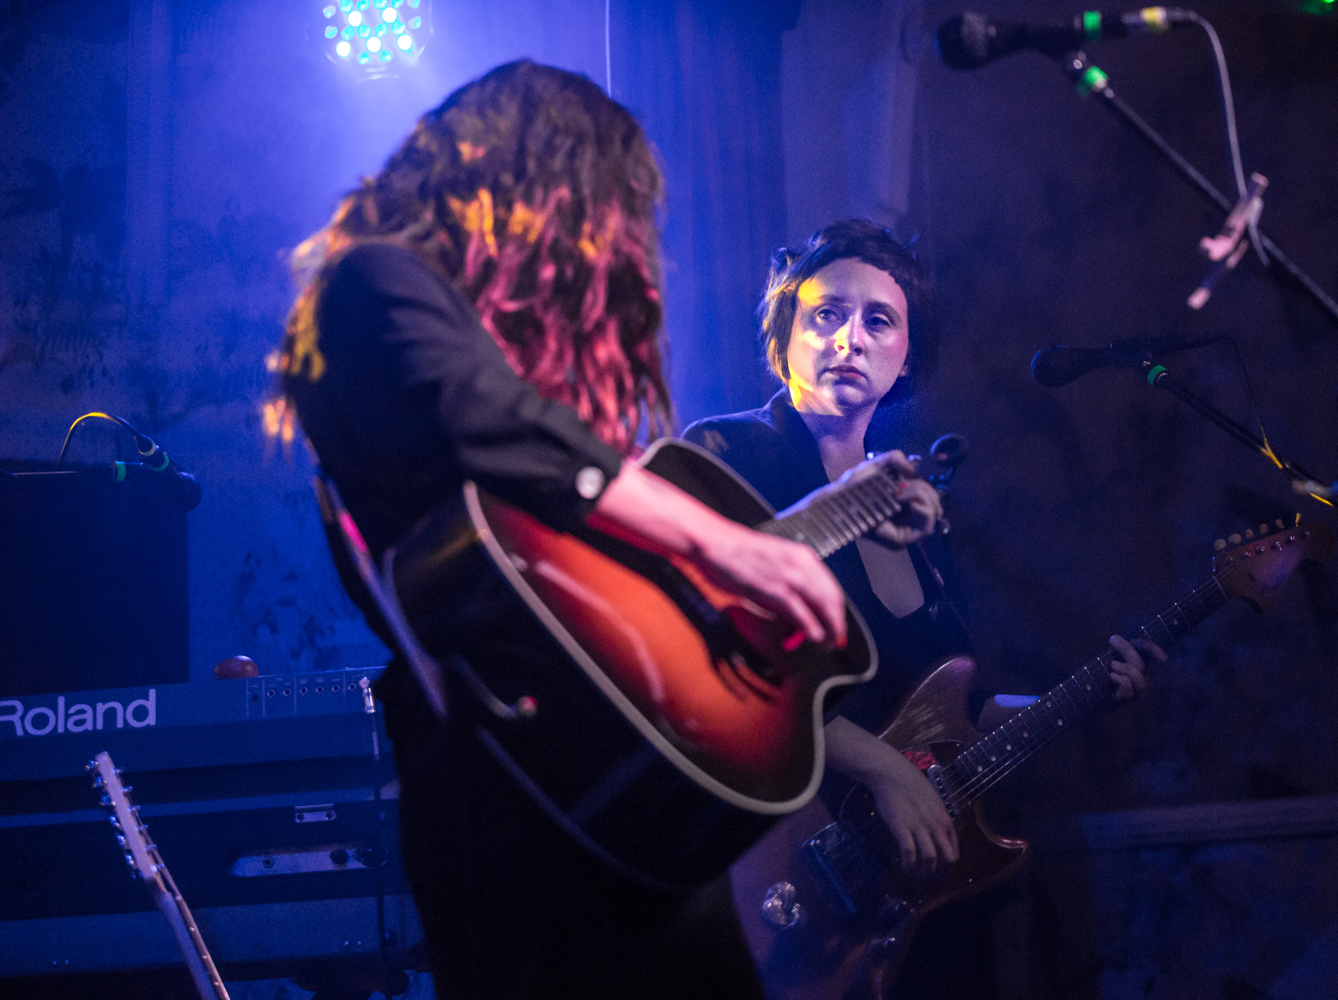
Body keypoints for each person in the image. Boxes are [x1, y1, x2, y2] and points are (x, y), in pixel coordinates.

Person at [271, 61, 851, 1000]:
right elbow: (476, 410)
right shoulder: (370, 285)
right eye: (593, 205)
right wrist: (718, 542)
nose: (602, 240)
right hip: (497, 780)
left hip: (617, 772)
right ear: (530, 183)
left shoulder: (516, 371)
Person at [682, 219, 1165, 917]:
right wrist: (878, 767)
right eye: (826, 315)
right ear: (784, 334)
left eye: (879, 321)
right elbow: (706, 645)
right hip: (766, 859)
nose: (850, 340)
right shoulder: (728, 450)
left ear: (906, 356)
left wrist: (1088, 696)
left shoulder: (923, 511)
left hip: (888, 892)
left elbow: (949, 714)